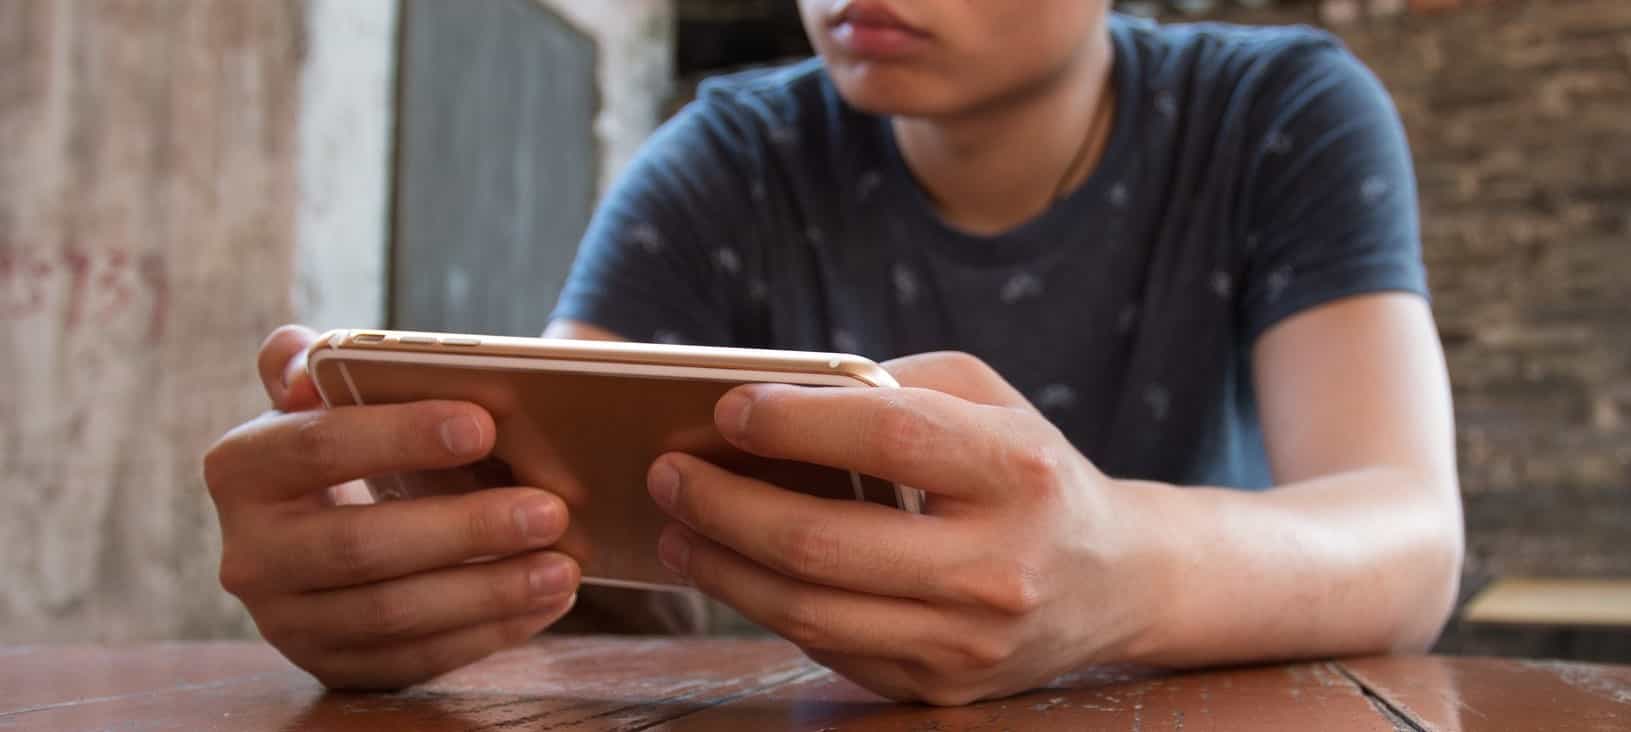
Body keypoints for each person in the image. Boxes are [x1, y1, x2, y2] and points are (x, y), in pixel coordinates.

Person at [204, 0, 1462, 706]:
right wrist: (400, 547)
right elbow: (540, 486)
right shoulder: (728, 150)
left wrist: (1116, 567)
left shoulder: (1282, 112)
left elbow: (1408, 536)